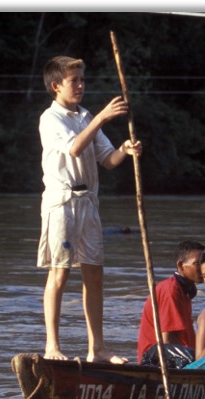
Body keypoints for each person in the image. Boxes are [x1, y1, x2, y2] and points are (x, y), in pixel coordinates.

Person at [38, 55, 143, 363]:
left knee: (94, 274)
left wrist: (125, 150)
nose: (81, 85)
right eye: (75, 81)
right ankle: (52, 346)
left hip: (89, 203)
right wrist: (100, 118)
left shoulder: (84, 116)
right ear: (57, 85)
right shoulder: (51, 118)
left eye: (83, 80)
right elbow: (73, 148)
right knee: (59, 273)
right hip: (62, 203)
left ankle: (97, 348)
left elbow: (107, 160)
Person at [137, 240, 204, 366]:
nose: (203, 268)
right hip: (155, 359)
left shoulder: (184, 290)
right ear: (180, 266)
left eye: (204, 263)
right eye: (197, 263)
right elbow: (167, 340)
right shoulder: (171, 290)